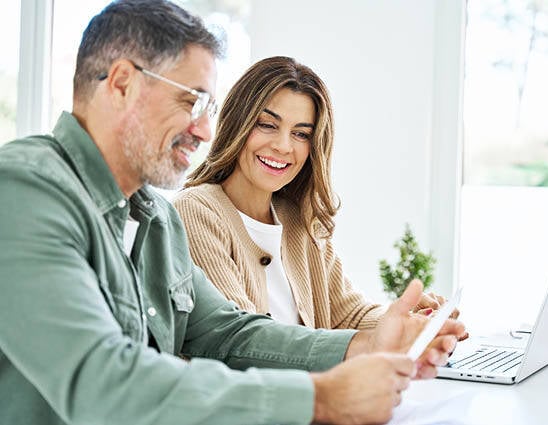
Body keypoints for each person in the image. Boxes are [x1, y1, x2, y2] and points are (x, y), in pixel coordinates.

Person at [0, 1, 466, 425]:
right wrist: (318, 398)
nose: (205, 130)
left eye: (210, 107)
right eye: (192, 101)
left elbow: (229, 334)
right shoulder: (23, 191)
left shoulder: (155, 220)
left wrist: (369, 343)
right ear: (122, 83)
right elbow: (101, 381)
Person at [174, 56, 460, 330]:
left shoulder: (299, 219)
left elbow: (350, 315)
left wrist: (408, 321)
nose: (284, 146)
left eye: (301, 134)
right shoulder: (196, 212)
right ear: (238, 123)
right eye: (268, 125)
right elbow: (242, 339)